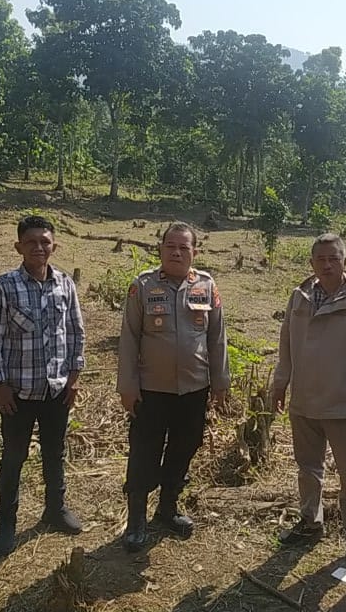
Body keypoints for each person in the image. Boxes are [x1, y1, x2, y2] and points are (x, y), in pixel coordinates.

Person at [269, 233, 346, 575]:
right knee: (308, 469)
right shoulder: (300, 296)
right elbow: (286, 345)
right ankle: (310, 523)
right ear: (311, 263)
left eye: (334, 258)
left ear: (345, 262)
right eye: (320, 259)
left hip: (344, 406)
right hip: (304, 402)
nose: (327, 265)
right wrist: (280, 384)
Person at [117, 221, 229, 552]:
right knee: (144, 451)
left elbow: (217, 337)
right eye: (171, 246)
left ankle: (168, 508)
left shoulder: (206, 285)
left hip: (194, 390)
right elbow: (129, 338)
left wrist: (221, 382)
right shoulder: (143, 286)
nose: (177, 252)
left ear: (195, 252)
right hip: (152, 390)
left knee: (184, 447)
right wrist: (127, 386)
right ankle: (136, 519)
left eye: (184, 247)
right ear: (161, 249)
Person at [0, 215, 86, 556]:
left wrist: (73, 377)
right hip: (18, 393)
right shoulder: (4, 287)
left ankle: (55, 509)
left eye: (45, 242)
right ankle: (6, 523)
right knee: (14, 456)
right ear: (19, 247)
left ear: (54, 245)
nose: (39, 247)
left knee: (55, 452)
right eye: (31, 242)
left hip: (56, 391)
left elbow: (76, 332)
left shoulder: (65, 284)